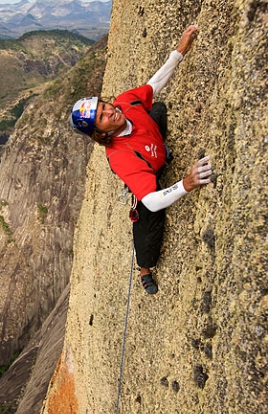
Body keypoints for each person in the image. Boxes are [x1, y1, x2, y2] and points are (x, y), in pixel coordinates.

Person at [69, 24, 214, 294]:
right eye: (102, 117)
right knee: (148, 224)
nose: (110, 111)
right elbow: (151, 200)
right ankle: (144, 268)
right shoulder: (120, 156)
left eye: (104, 106)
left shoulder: (126, 104)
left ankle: (161, 150)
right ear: (99, 132)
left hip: (151, 145)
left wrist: (180, 51)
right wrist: (187, 183)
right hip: (146, 172)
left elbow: (154, 84)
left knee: (156, 108)